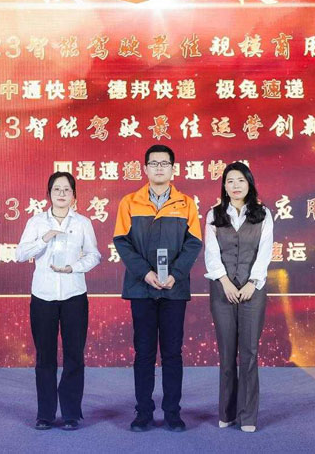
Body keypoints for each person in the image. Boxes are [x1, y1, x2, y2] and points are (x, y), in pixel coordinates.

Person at [113, 144, 202, 432]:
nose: (159, 168)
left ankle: (173, 413)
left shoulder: (186, 203)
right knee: (144, 353)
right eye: (154, 163)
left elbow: (194, 243)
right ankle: (143, 413)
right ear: (145, 168)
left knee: (173, 353)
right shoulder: (130, 202)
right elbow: (122, 241)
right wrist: (146, 273)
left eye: (165, 163)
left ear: (173, 169)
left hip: (174, 289)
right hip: (141, 288)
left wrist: (175, 274)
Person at [15, 172, 101, 431]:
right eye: (56, 189)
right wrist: (44, 238)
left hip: (74, 295)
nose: (62, 194)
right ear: (49, 194)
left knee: (74, 355)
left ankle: (72, 413)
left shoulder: (83, 223)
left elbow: (94, 255)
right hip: (43, 296)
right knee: (45, 357)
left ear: (74, 195)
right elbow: (20, 254)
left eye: (67, 190)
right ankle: (45, 414)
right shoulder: (36, 222)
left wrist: (74, 267)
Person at [203, 162, 273, 433]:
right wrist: (224, 282)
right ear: (224, 185)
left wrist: (253, 283)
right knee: (226, 354)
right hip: (223, 292)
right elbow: (211, 253)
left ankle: (248, 417)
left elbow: (265, 252)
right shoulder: (214, 214)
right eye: (230, 181)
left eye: (241, 180)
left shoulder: (263, 214)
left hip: (253, 291)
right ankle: (227, 412)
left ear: (249, 184)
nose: (235, 185)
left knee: (249, 353)